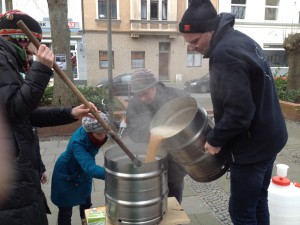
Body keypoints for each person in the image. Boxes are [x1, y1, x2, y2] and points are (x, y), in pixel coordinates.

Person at [179, 1, 288, 224]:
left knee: (241, 211)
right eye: (188, 44)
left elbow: (240, 111)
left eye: (195, 41)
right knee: (258, 200)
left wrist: (216, 139)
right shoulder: (240, 40)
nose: (193, 47)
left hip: (251, 148)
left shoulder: (225, 54)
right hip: (270, 138)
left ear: (210, 29)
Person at [0, 10, 97, 225]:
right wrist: (42, 68)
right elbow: (14, 109)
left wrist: (70, 112)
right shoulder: (1, 58)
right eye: (35, 44)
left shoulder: (8, 60)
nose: (34, 54)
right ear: (23, 40)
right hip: (10, 182)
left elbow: (24, 115)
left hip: (20, 174)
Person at [126, 68, 188, 204]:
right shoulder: (134, 104)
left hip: (175, 159)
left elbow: (189, 117)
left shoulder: (175, 96)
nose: (142, 98)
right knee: (152, 196)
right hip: (152, 157)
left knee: (174, 196)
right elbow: (132, 129)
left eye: (145, 93)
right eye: (138, 95)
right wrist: (148, 137)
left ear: (154, 86)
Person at [51, 112, 109, 225]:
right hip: (67, 176)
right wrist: (115, 174)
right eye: (99, 134)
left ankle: (89, 223)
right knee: (65, 212)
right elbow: (90, 168)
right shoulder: (78, 142)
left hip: (82, 172)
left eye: (104, 132)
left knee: (87, 206)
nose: (103, 136)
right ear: (89, 132)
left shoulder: (96, 132)